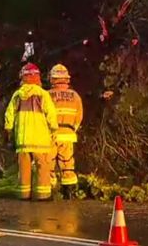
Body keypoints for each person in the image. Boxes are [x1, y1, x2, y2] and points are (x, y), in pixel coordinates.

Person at [5, 63, 58, 201]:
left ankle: (24, 194)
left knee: (24, 169)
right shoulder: (43, 94)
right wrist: (54, 128)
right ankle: (43, 195)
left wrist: (9, 129)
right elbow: (51, 114)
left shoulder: (17, 95)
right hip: (40, 139)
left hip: (23, 139)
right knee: (42, 167)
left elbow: (9, 114)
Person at [48, 64, 83, 199]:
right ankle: (69, 193)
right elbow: (79, 116)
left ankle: (49, 193)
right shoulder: (75, 96)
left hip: (51, 135)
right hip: (68, 134)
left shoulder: (47, 95)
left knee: (49, 164)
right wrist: (73, 129)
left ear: (52, 79)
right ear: (67, 79)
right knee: (67, 164)